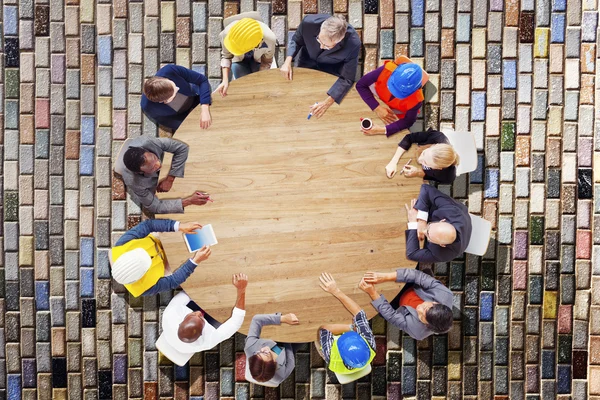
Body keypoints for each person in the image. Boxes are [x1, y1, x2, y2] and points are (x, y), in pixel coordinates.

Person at [280, 14, 361, 119]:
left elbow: (347, 78)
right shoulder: (308, 23)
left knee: (324, 113)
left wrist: (327, 103)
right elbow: (296, 40)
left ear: (339, 41)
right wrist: (287, 61)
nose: (321, 46)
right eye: (319, 40)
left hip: (330, 70)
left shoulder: (353, 43)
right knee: (298, 96)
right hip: (307, 61)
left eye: (327, 46)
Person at [111, 220, 211, 297]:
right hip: (165, 265)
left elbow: (148, 225)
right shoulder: (143, 289)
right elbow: (173, 281)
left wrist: (179, 226)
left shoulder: (121, 246)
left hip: (157, 239)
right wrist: (195, 261)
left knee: (190, 226)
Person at [161, 273, 248, 362]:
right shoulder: (209, 339)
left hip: (185, 312)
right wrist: (241, 289)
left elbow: (187, 292)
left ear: (181, 321)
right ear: (202, 332)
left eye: (193, 314)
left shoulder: (170, 314)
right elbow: (236, 321)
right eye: (201, 318)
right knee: (227, 312)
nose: (199, 312)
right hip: (201, 325)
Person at [117, 135, 210, 215]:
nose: (158, 164)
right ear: (139, 172)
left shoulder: (149, 142)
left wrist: (170, 179)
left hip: (168, 174)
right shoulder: (133, 181)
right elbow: (155, 207)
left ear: (145, 150)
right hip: (153, 187)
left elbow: (182, 148)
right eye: (152, 167)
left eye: (154, 157)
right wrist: (189, 201)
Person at [360, 269, 453, 340]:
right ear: (435, 303)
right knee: (416, 268)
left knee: (380, 310)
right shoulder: (445, 294)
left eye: (421, 317)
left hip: (398, 304)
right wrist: (385, 277)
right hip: (412, 286)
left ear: (427, 325)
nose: (418, 309)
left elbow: (391, 316)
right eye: (425, 308)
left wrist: (372, 292)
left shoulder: (417, 332)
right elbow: (417, 276)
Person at [315, 273, 376, 376]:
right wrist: (336, 291)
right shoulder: (369, 344)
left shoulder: (332, 355)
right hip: (351, 363)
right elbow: (359, 313)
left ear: (339, 351)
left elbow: (323, 328)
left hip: (336, 360)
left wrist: (350, 328)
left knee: (315, 337)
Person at [356, 58, 424, 137]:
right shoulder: (387, 69)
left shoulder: (417, 100)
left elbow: (408, 121)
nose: (393, 92)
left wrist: (382, 130)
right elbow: (361, 85)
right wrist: (377, 108)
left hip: (394, 114)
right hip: (378, 99)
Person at [405, 184, 472, 263]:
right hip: (462, 215)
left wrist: (413, 224)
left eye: (428, 236)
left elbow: (412, 254)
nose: (422, 231)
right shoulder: (451, 210)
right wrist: (421, 221)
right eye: (429, 226)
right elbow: (426, 189)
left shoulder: (443, 254)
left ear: (442, 245)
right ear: (442, 221)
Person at [215, 12, 277, 96]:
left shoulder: (270, 39)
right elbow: (226, 57)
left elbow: (266, 62)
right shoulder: (227, 35)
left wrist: (261, 79)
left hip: (258, 59)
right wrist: (225, 80)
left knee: (259, 89)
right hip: (238, 60)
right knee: (244, 88)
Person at [141, 64, 212, 132]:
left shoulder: (169, 70)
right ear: (164, 101)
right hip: (181, 115)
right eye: (174, 94)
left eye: (173, 84)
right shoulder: (148, 107)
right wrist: (190, 125)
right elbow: (169, 121)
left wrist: (205, 108)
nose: (177, 88)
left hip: (194, 95)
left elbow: (202, 80)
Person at [385, 128, 460, 183]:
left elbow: (430, 177)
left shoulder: (448, 177)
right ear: (434, 145)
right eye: (424, 153)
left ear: (438, 168)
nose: (420, 160)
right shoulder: (436, 137)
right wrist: (393, 162)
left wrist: (418, 172)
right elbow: (409, 138)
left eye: (426, 163)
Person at [245, 312, 299, 384]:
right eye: (266, 353)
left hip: (269, 334)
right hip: (286, 348)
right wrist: (286, 340)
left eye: (259, 353)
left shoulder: (250, 347)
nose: (262, 349)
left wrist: (283, 318)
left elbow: (256, 320)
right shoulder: (281, 375)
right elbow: (291, 363)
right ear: (274, 362)